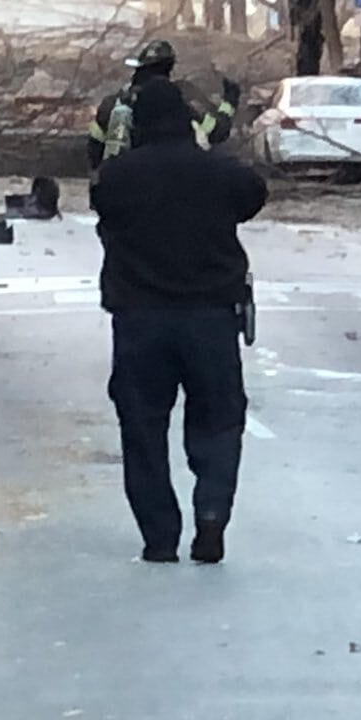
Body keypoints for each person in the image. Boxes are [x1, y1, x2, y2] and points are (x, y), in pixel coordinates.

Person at [91, 78, 268, 564]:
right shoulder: (219, 173)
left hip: (139, 320)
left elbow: (103, 201)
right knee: (218, 419)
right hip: (210, 318)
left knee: (142, 428)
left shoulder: (119, 177)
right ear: (187, 121)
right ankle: (211, 512)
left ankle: (159, 536)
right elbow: (254, 193)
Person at [87, 39, 241, 172]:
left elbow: (95, 149)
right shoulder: (178, 105)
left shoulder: (113, 104)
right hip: (166, 188)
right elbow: (216, 131)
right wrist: (230, 101)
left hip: (121, 191)